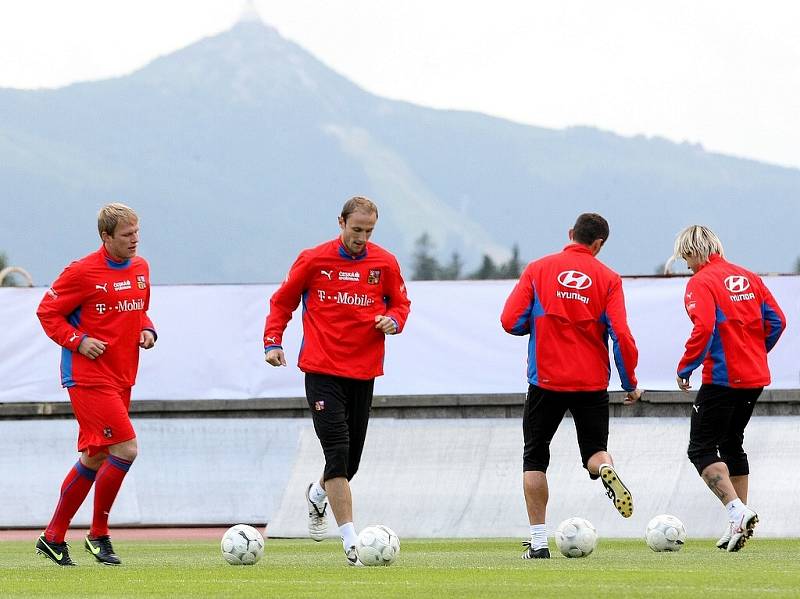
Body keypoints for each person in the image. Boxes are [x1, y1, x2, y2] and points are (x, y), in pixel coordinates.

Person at [263, 196, 411, 566]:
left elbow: (401, 304)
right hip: (322, 370)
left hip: (363, 372)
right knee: (338, 453)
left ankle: (317, 493)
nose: (361, 238)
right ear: (341, 222)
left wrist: (394, 320)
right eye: (356, 229)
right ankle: (350, 542)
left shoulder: (384, 263)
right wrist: (272, 341)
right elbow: (283, 301)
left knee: (350, 462)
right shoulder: (314, 260)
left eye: (369, 231)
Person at [501, 213, 643, 560]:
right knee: (594, 450)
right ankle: (604, 467)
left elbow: (510, 321)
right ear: (598, 245)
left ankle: (537, 543)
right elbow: (621, 335)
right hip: (591, 383)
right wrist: (630, 383)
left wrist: (535, 326)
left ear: (570, 234)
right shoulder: (608, 278)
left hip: (546, 380)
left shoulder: (538, 269)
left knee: (535, 457)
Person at [35, 203, 156, 566]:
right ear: (105, 237)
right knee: (126, 449)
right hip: (88, 377)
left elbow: (138, 309)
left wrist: (147, 328)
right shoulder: (82, 272)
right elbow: (47, 312)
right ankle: (98, 534)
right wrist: (78, 341)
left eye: (136, 232)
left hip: (121, 376)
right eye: (126, 235)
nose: (134, 240)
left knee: (97, 455)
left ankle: (53, 537)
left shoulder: (140, 268)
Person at [667, 225, 785, 552]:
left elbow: (704, 326)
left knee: (701, 448)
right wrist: (756, 353)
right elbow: (777, 322)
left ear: (693, 251)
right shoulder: (748, 277)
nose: (685, 264)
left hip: (723, 378)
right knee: (732, 443)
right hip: (756, 376)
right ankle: (737, 524)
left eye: (685, 257)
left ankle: (737, 511)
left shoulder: (701, 282)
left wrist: (685, 366)